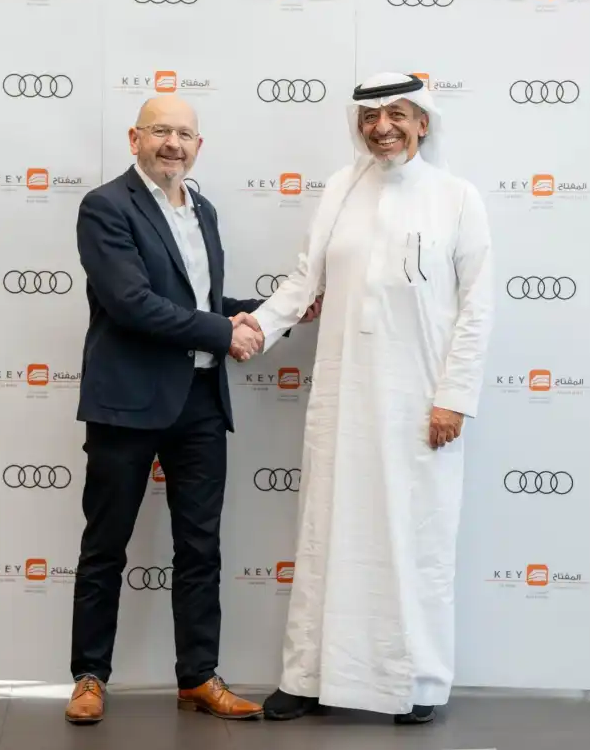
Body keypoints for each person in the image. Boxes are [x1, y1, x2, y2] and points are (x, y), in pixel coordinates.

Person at [239, 72, 494, 724]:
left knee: (417, 540)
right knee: (327, 531)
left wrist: (454, 396)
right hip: (343, 392)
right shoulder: (341, 188)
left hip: (420, 402)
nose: (382, 127)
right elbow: (304, 280)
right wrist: (256, 328)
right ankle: (308, 675)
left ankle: (420, 681)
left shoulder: (457, 198)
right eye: (370, 116)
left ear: (423, 123)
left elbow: (477, 307)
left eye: (397, 115)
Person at [65, 94, 319, 724]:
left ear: (198, 146)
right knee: (106, 546)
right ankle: (89, 677)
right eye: (160, 131)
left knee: (201, 548)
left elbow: (201, 302)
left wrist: (274, 315)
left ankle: (198, 678)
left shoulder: (203, 210)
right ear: (135, 139)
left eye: (184, 134)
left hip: (200, 402)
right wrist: (224, 333)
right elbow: (131, 302)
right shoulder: (105, 207)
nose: (173, 144)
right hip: (127, 403)